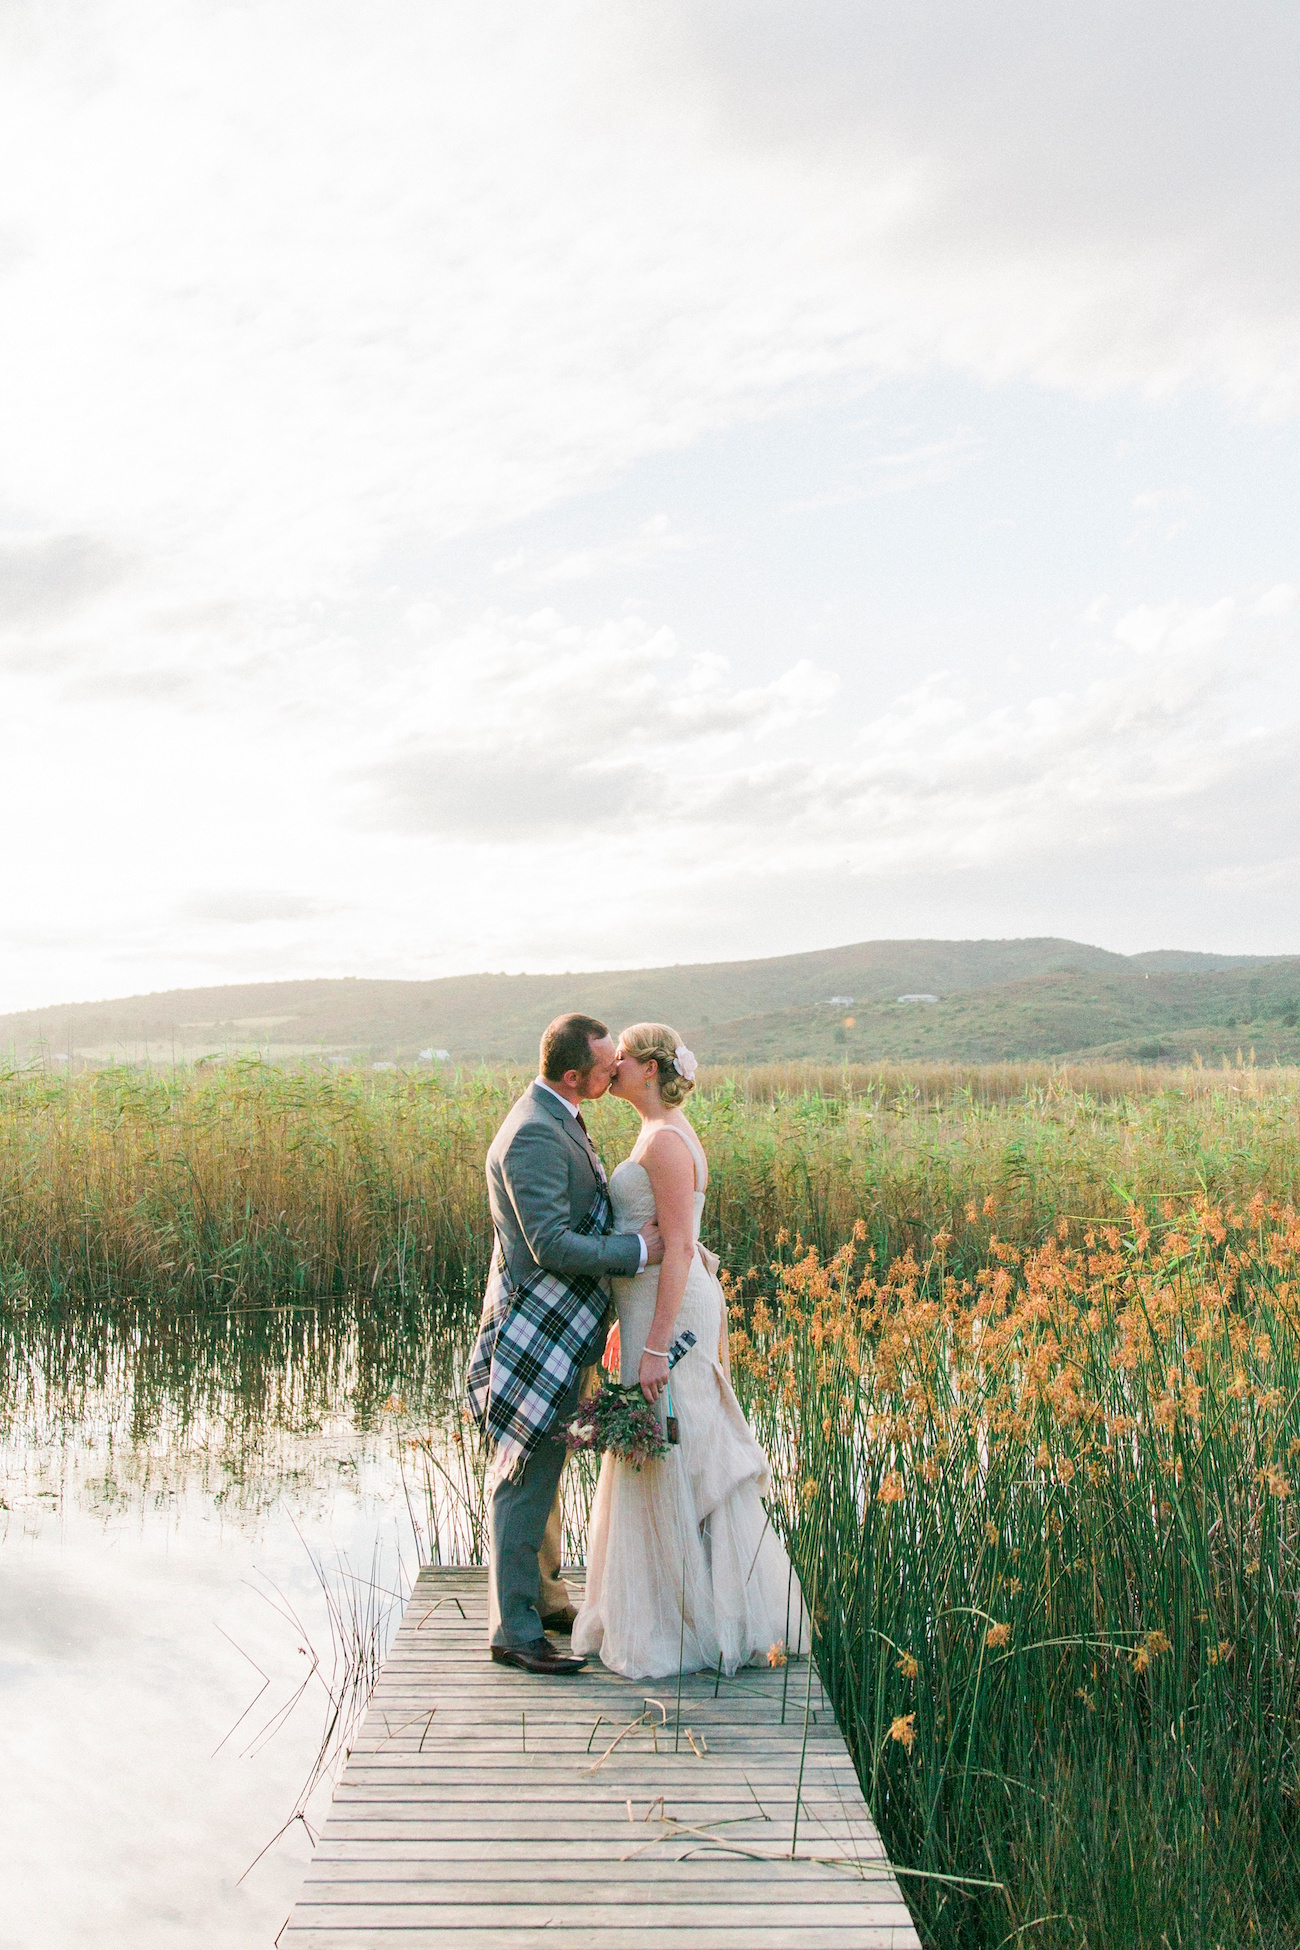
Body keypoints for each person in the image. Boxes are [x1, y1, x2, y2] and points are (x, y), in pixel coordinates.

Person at [571, 1022, 808, 1680]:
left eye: (621, 1056)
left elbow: (677, 1248)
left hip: (667, 1316)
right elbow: (686, 1240)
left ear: (649, 1067)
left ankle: (688, 1624)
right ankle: (674, 1605)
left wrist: (653, 1348)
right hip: (650, 1306)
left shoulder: (668, 1141)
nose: (611, 1065)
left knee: (679, 1445)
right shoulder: (659, 1132)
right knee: (667, 1449)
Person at [466, 1012, 663, 1675]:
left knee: (544, 1471)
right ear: (575, 1074)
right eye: (608, 1064)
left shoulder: (556, 1116)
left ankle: (545, 1602)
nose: (617, 1068)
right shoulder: (531, 1135)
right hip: (538, 1329)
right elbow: (549, 1243)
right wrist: (635, 1251)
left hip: (563, 1326)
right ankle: (514, 1633)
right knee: (524, 1476)